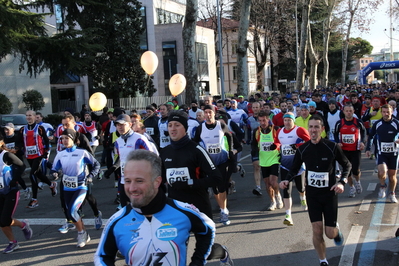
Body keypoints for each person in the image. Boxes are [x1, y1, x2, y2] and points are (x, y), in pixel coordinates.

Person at [94, 150, 216, 266]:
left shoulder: (183, 211)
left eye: (139, 181)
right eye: (127, 181)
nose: (132, 188)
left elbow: (208, 229)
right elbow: (102, 257)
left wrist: (197, 262)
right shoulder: (117, 221)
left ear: (157, 182)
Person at [160, 111, 233, 265]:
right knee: (175, 248)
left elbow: (216, 178)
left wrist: (189, 183)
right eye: (170, 125)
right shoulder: (165, 152)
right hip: (176, 208)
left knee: (206, 252)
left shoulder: (196, 150)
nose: (172, 129)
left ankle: (222, 253)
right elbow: (159, 179)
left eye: (177, 125)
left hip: (198, 206)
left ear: (185, 128)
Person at [279, 116, 351, 266]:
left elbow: (347, 165)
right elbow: (294, 168)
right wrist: (287, 179)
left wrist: (342, 182)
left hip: (329, 194)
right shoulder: (303, 149)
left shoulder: (331, 147)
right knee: (317, 229)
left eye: (316, 127)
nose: (313, 130)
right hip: (312, 195)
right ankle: (323, 260)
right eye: (310, 127)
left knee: (330, 233)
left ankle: (336, 229)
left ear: (322, 129)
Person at [51, 129, 100, 247]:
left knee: (72, 211)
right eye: (62, 138)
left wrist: (91, 176)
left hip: (81, 187)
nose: (64, 141)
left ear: (73, 139)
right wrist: (55, 174)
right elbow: (54, 169)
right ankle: (84, 233)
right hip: (67, 188)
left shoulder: (82, 152)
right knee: (72, 213)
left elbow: (96, 165)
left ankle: (81, 234)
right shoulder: (60, 154)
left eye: (67, 138)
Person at [104, 114, 159, 209]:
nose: (120, 127)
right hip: (124, 180)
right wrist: (113, 168)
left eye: (122, 124)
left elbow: (153, 157)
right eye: (117, 125)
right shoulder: (118, 142)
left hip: (139, 180)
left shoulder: (139, 138)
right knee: (125, 208)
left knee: (141, 207)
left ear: (129, 124)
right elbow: (122, 158)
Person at [193, 105, 234, 225]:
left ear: (214, 113)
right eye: (205, 112)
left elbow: (230, 136)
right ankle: (222, 208)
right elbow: (195, 142)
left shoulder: (220, 125)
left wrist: (231, 150)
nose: (208, 114)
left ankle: (223, 211)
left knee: (221, 185)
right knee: (215, 188)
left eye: (210, 112)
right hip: (209, 162)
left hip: (222, 160)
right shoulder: (200, 128)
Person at [0, 134, 33, 253]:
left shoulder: (6, 155)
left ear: (1, 142)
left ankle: (23, 224)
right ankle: (13, 243)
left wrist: (14, 179)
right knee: (1, 221)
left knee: (5, 219)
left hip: (11, 191)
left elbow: (22, 166)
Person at [275, 112, 310, 225]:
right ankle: (288, 215)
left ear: (293, 120)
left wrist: (298, 145)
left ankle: (302, 197)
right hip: (285, 165)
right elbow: (277, 141)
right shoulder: (280, 131)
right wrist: (275, 146)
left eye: (289, 120)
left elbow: (309, 142)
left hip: (298, 165)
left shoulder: (299, 130)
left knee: (301, 187)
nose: (287, 122)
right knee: (286, 190)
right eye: (285, 120)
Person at [20, 110, 57, 208]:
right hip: (29, 155)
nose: (28, 117)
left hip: (39, 154)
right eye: (27, 115)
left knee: (32, 174)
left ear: (34, 116)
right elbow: (19, 141)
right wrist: (17, 148)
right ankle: (51, 184)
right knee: (38, 173)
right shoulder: (22, 129)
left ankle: (34, 199)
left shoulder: (39, 128)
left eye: (30, 115)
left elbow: (45, 139)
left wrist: (46, 152)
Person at [366, 104, 399, 202]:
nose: (386, 114)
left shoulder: (396, 123)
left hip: (394, 153)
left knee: (392, 176)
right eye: (384, 112)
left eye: (388, 112)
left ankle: (392, 193)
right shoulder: (378, 124)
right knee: (382, 172)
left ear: (392, 112)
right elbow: (371, 136)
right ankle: (382, 186)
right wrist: (368, 149)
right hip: (381, 153)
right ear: (381, 113)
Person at [251, 111, 283, 211]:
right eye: (260, 121)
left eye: (264, 120)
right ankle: (272, 201)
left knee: (273, 182)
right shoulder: (256, 131)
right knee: (267, 184)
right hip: (264, 160)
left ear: (268, 119)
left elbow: (281, 141)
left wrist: (277, 147)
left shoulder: (275, 129)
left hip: (274, 159)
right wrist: (254, 152)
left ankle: (278, 196)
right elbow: (254, 144)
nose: (262, 122)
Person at [334, 104, 366, 198]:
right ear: (343, 112)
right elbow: (335, 134)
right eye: (346, 111)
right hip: (344, 150)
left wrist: (363, 142)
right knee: (347, 171)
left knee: (356, 170)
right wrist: (337, 143)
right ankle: (351, 187)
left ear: (353, 112)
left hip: (355, 150)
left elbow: (364, 132)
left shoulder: (358, 122)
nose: (348, 113)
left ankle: (357, 181)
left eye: (350, 111)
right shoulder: (339, 123)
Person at [3, 123, 29, 200]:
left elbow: (19, 148)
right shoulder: (3, 139)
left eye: (8, 129)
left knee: (16, 176)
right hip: (8, 162)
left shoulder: (17, 137)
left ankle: (24, 189)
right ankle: (17, 191)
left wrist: (15, 150)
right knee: (12, 177)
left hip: (17, 161)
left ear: (13, 129)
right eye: (5, 129)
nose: (6, 131)